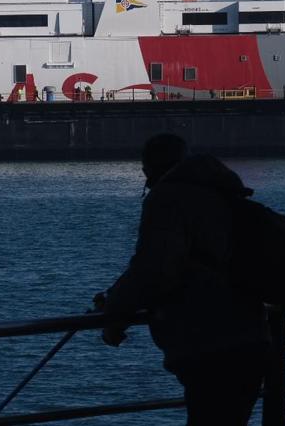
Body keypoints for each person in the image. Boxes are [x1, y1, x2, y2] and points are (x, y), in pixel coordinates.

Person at [97, 133, 269, 425]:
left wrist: (114, 318)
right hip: (252, 334)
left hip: (208, 344)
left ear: (147, 169)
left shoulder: (167, 199)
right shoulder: (224, 191)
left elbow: (154, 269)